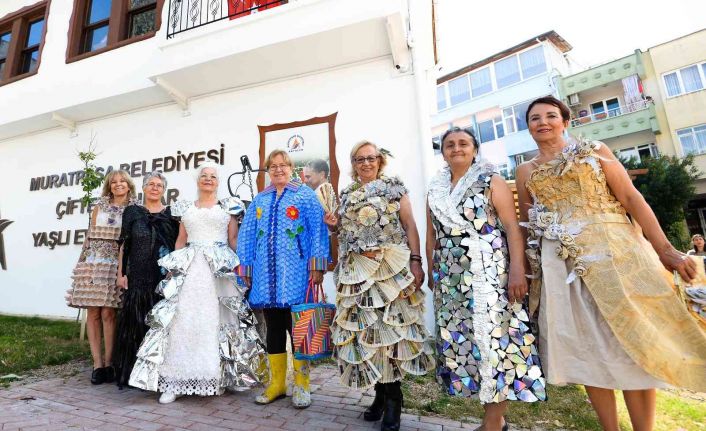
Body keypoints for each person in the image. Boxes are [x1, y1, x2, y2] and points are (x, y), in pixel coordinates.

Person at [515, 96, 706, 431]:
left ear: (565, 121)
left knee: (634, 341)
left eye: (550, 116)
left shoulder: (594, 150)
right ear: (528, 127)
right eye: (534, 118)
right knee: (587, 348)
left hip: (617, 256)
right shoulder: (525, 171)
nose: (542, 122)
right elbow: (525, 224)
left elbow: (631, 198)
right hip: (563, 268)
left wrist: (665, 250)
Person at [426, 128, 546, 431]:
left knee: (496, 343)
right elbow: (432, 234)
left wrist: (517, 270)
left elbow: (511, 226)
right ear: (443, 152)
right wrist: (432, 268)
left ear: (475, 149)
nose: (456, 148)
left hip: (490, 274)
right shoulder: (436, 188)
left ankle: (491, 424)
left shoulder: (490, 180)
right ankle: (496, 418)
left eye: (463, 143)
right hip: (452, 279)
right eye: (449, 145)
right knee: (471, 344)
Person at [129, 163, 266, 403]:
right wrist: (173, 270)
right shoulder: (185, 209)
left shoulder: (228, 208)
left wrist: (242, 268)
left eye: (213, 176)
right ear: (197, 180)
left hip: (219, 270)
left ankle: (220, 376)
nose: (208, 179)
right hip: (191, 269)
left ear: (218, 181)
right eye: (204, 176)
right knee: (184, 319)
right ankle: (177, 380)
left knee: (220, 320)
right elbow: (181, 241)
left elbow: (234, 240)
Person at [326, 141, 433, 431]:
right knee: (367, 336)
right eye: (360, 159)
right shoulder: (346, 194)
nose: (366, 163)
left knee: (392, 335)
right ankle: (379, 395)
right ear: (354, 163)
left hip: (390, 273)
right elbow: (346, 231)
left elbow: (409, 225)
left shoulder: (394, 188)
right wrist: (333, 225)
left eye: (371, 158)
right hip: (358, 275)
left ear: (380, 160)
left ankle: (394, 400)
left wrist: (416, 260)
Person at [237, 149, 330, 409]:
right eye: (273, 166)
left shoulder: (305, 195)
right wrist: (246, 269)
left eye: (283, 165)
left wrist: (317, 265)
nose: (278, 169)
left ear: (292, 168)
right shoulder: (260, 199)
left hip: (298, 274)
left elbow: (318, 232)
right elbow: (246, 235)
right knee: (274, 329)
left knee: (298, 328)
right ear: (268, 171)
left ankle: (302, 385)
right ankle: (277, 384)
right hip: (266, 277)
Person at [66, 170, 137, 385]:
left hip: (116, 264)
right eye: (113, 182)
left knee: (109, 313)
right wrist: (82, 264)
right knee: (93, 312)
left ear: (128, 184)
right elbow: (89, 236)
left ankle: (110, 362)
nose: (118, 184)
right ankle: (97, 365)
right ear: (109, 185)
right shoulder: (99, 206)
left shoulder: (135, 209)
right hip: (94, 263)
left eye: (122, 181)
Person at [114, 172, 179, 389]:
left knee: (159, 326)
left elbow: (178, 246)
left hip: (161, 278)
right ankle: (134, 374)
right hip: (137, 275)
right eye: (150, 184)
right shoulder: (132, 212)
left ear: (163, 190)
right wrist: (120, 273)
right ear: (143, 188)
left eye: (159, 185)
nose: (154, 188)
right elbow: (124, 244)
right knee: (134, 324)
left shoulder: (171, 214)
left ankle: (158, 374)